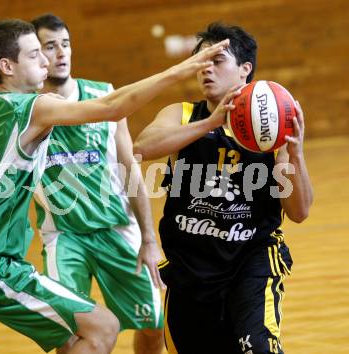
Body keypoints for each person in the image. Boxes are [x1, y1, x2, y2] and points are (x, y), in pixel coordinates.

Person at [0, 18, 229, 354]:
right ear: (7, 66)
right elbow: (112, 107)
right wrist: (180, 70)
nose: (47, 60)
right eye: (35, 55)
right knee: (104, 328)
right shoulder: (36, 107)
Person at [134, 23, 313, 354]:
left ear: (245, 69)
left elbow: (299, 212)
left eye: (217, 60)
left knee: (259, 348)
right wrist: (210, 123)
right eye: (201, 60)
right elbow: (141, 147)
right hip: (191, 267)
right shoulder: (183, 114)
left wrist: (296, 155)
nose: (206, 68)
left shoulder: (273, 128)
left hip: (251, 259)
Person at [30, 14, 164, 354]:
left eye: (66, 44)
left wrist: (149, 239)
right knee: (70, 333)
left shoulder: (103, 96)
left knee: (153, 325)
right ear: (35, 54)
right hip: (64, 236)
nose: (61, 53)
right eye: (50, 46)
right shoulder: (25, 109)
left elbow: (131, 169)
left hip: (116, 230)